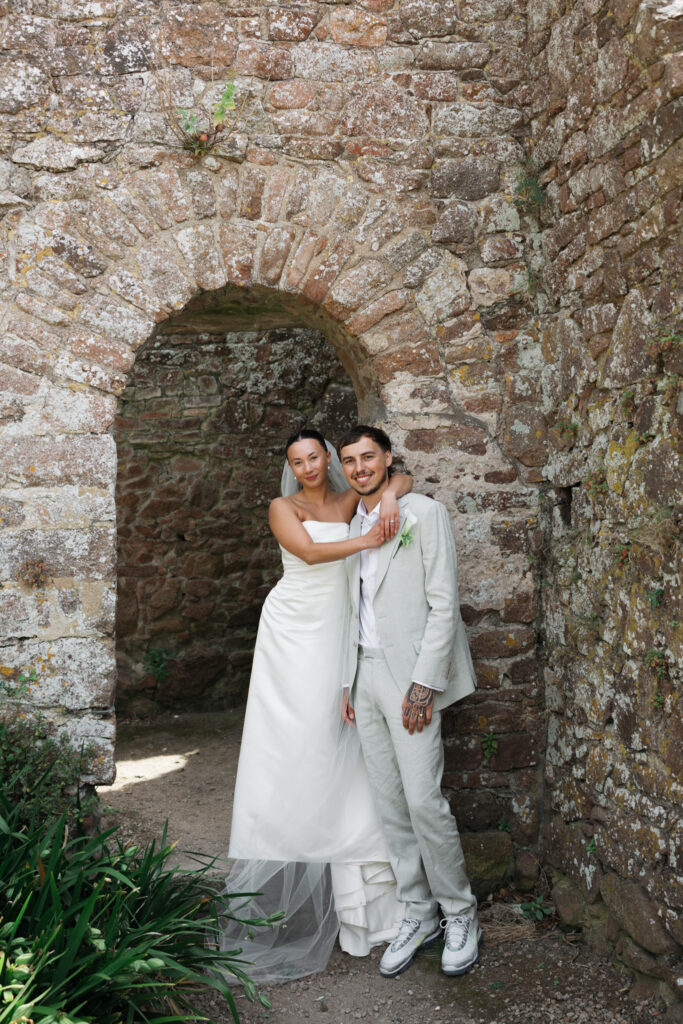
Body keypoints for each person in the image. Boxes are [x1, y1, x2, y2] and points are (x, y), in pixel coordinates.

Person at [223, 428, 412, 982]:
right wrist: (371, 538)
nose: (307, 467)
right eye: (296, 460)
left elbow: (398, 477)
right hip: (293, 630)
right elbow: (306, 551)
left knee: (344, 744)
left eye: (314, 457)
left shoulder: (349, 497)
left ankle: (359, 897)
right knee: (296, 741)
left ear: (328, 458)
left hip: (338, 629)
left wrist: (392, 499)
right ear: (291, 466)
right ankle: (279, 850)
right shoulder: (283, 506)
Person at [338, 424, 480, 979]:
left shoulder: (423, 512)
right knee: (390, 806)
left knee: (424, 802)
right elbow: (352, 609)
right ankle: (417, 913)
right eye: (348, 461)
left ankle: (460, 912)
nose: (358, 468)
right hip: (365, 677)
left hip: (409, 679)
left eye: (367, 457)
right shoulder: (352, 521)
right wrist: (348, 682)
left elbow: (444, 605)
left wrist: (424, 685)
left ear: (388, 459)